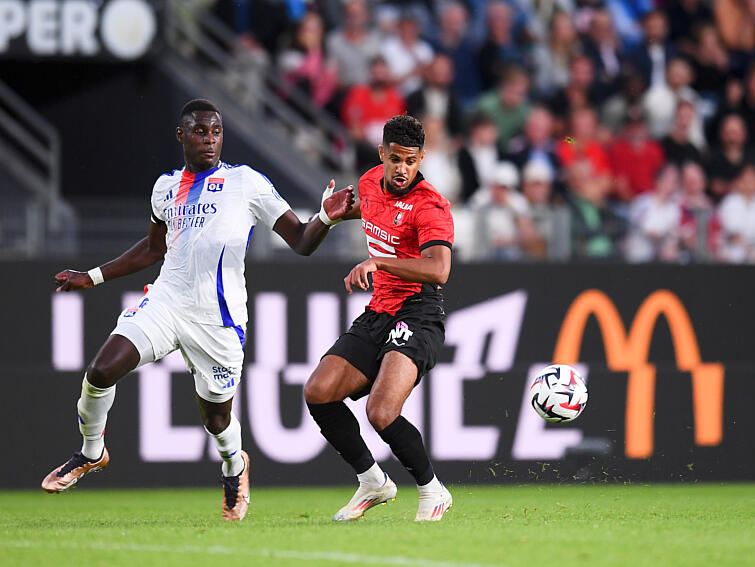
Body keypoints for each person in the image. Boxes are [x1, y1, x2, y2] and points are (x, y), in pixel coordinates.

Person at [41, 100, 354, 522]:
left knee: (216, 418)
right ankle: (91, 452)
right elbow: (154, 248)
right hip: (167, 302)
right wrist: (93, 276)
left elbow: (299, 240)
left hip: (219, 320)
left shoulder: (246, 183)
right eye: (200, 131)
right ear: (181, 135)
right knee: (101, 370)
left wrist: (326, 218)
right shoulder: (165, 188)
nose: (209, 139)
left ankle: (235, 466)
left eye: (216, 131)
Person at [303, 115, 455, 522]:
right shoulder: (370, 183)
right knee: (318, 391)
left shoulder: (431, 205)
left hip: (419, 312)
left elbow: (439, 269)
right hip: (380, 312)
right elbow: (368, 209)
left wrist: (378, 261)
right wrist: (334, 214)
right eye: (395, 159)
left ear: (421, 158)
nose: (402, 169)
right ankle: (372, 480)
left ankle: (432, 490)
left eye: (411, 161)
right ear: (382, 154)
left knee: (381, 410)